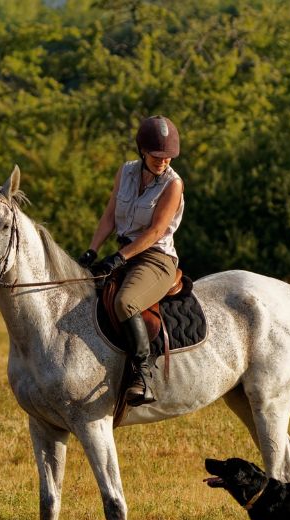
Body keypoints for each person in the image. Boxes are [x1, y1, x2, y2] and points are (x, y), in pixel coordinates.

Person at [77, 115, 185, 407]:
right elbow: (110, 215)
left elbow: (155, 231)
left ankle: (142, 373)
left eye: (168, 157)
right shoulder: (125, 172)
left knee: (125, 302)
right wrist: (92, 250)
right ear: (142, 150)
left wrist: (119, 257)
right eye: (156, 155)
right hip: (122, 254)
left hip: (155, 258)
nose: (162, 161)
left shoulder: (173, 185)